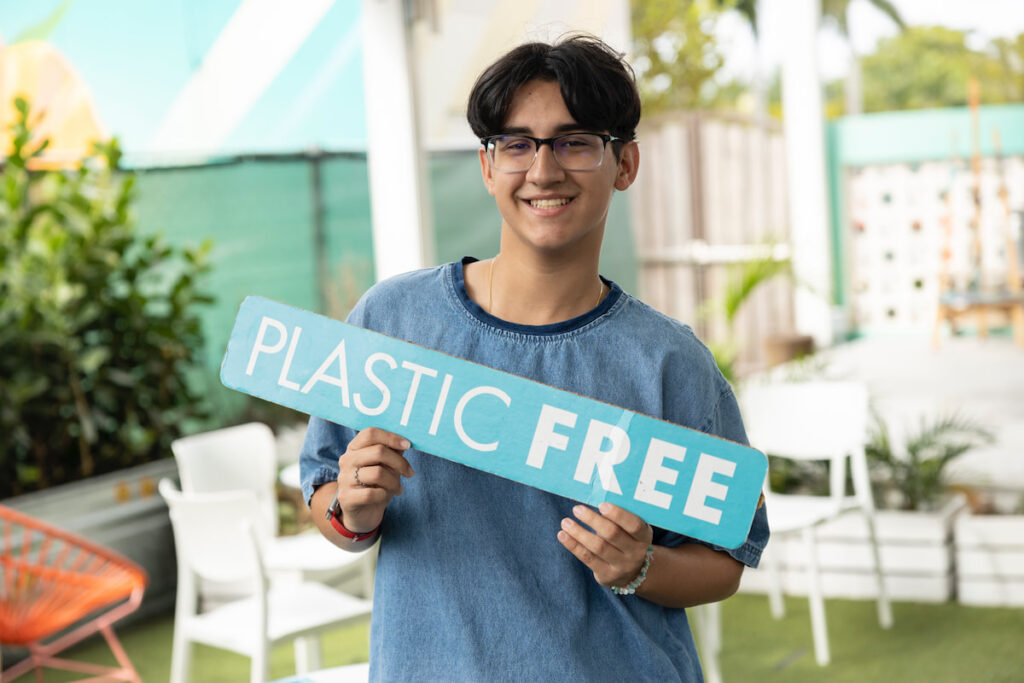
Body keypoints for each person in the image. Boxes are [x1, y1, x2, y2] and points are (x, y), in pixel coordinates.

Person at [300, 33, 769, 681]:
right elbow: (323, 489)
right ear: (488, 166)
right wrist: (352, 511)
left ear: (625, 163)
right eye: (515, 144)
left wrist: (642, 567)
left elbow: (726, 558)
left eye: (574, 142)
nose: (543, 170)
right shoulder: (390, 320)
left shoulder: (670, 361)